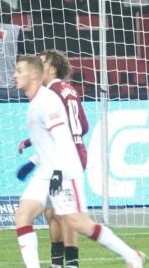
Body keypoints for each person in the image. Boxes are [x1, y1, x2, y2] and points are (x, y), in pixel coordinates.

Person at [11, 55, 142, 268]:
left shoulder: (48, 99)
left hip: (64, 169)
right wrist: (33, 162)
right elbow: (47, 140)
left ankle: (131, 256)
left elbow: (63, 137)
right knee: (23, 216)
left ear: (34, 74)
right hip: (46, 170)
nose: (14, 74)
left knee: (77, 222)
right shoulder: (36, 101)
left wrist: (57, 172)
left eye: (19, 70)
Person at [36, 50, 91, 268]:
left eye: (42, 63)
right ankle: (58, 263)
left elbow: (60, 127)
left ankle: (71, 263)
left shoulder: (51, 94)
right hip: (75, 150)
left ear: (53, 68)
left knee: (64, 213)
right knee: (52, 211)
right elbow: (83, 126)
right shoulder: (69, 90)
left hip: (65, 155)